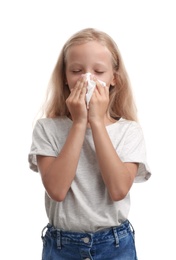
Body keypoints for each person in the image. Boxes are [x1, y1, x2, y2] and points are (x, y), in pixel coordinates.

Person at [28, 28, 151, 260]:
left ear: (114, 78)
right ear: (65, 77)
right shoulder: (47, 128)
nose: (87, 78)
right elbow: (56, 189)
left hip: (115, 246)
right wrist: (78, 123)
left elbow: (118, 190)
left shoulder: (129, 131)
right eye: (77, 70)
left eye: (98, 71)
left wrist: (95, 120)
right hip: (62, 247)